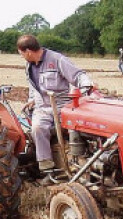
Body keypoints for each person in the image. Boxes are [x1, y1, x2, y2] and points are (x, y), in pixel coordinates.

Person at [16, 34, 93, 179]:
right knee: (38, 128)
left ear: (28, 52)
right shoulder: (29, 66)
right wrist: (32, 99)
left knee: (78, 127)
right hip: (42, 108)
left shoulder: (57, 60)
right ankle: (47, 169)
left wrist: (86, 87)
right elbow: (33, 86)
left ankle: (79, 162)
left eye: (21, 54)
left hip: (62, 105)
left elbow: (78, 75)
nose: (22, 57)